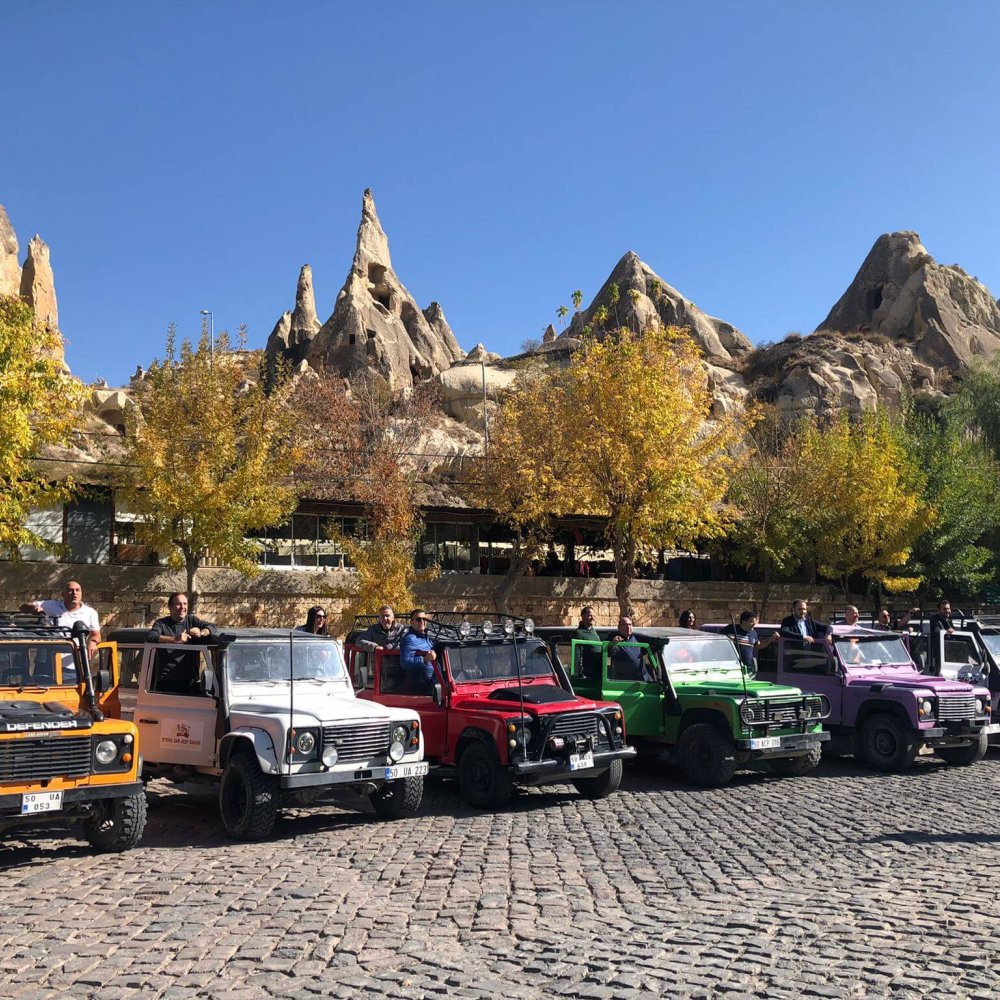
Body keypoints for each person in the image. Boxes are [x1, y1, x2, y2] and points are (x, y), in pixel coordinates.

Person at [22, 580, 101, 658]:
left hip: (74, 665)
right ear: (63, 594)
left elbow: (96, 635)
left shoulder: (90, 613)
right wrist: (33, 608)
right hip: (48, 662)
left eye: (77, 590)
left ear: (81, 594)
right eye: (70, 590)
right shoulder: (52, 606)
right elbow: (23, 607)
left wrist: (93, 642)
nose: (74, 593)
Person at [147, 593, 216, 645]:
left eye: (185, 604)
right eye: (178, 604)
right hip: (165, 664)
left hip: (190, 664)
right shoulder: (161, 623)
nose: (182, 607)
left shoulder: (192, 620)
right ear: (170, 607)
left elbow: (212, 627)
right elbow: (151, 637)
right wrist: (175, 639)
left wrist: (201, 633)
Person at [399, 609, 436, 692]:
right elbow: (405, 663)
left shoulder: (427, 637)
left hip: (432, 681)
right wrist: (425, 659)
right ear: (411, 622)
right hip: (421, 687)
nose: (422, 621)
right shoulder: (409, 639)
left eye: (424, 619)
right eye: (418, 619)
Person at [608, 615, 654, 682]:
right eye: (625, 625)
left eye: (630, 624)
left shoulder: (636, 638)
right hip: (628, 682)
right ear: (619, 627)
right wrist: (613, 643)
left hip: (644, 677)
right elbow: (610, 653)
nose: (628, 627)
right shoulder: (616, 641)